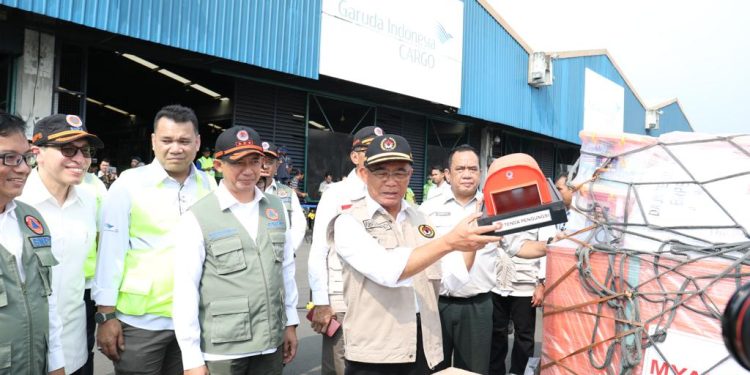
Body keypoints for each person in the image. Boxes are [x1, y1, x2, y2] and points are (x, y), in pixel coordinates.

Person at [330, 134, 503, 374]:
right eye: (381, 172)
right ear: (363, 175)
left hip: (422, 345)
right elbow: (389, 271)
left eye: (400, 172)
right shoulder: (349, 222)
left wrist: (470, 245)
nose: (391, 181)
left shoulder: (421, 220)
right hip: (375, 351)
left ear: (410, 175)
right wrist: (451, 241)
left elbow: (450, 277)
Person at [93, 104, 217, 374]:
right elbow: (110, 253)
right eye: (167, 140)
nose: (176, 148)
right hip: (141, 323)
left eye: (184, 141)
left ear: (197, 143)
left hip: (195, 321)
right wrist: (106, 316)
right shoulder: (128, 184)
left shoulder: (210, 186)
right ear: (153, 142)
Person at [173, 126, 299, 375]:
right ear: (218, 165)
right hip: (224, 350)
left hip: (270, 344)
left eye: (255, 161)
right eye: (238, 162)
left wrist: (291, 323)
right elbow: (185, 290)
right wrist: (191, 358)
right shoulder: (198, 217)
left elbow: (285, 270)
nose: (249, 170)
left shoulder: (276, 208)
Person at [19, 114, 104, 374]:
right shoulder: (16, 200)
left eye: (85, 151)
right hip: (25, 350)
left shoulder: (89, 201)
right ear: (37, 153)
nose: (79, 159)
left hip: (74, 346)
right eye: (68, 150)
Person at [308, 125, 383, 375]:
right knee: (340, 366)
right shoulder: (336, 194)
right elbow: (318, 249)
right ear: (354, 157)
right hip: (341, 299)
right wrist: (321, 302)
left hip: (377, 299)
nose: (375, 156)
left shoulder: (386, 193)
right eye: (368, 150)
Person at [418, 145, 496, 374]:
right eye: (460, 168)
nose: (467, 174)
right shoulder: (428, 209)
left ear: (480, 174)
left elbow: (517, 246)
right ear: (448, 174)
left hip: (477, 306)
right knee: (432, 368)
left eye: (473, 168)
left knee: (474, 370)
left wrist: (553, 246)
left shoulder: (493, 208)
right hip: (435, 303)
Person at [0, 111, 65, 375]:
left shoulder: (30, 219)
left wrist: (57, 364)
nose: (24, 168)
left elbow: (46, 300)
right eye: (9, 158)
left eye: (25, 158)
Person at [490, 232, 548, 375]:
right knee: (497, 333)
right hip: (496, 283)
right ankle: (495, 371)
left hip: (526, 286)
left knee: (524, 336)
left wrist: (541, 284)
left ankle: (519, 372)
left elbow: (547, 247)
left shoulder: (539, 212)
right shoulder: (497, 211)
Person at [259, 141, 306, 253]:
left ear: (277, 166)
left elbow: (299, 225)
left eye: (269, 162)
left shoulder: (288, 193)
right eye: (259, 162)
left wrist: (288, 251)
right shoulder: (243, 192)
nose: (264, 166)